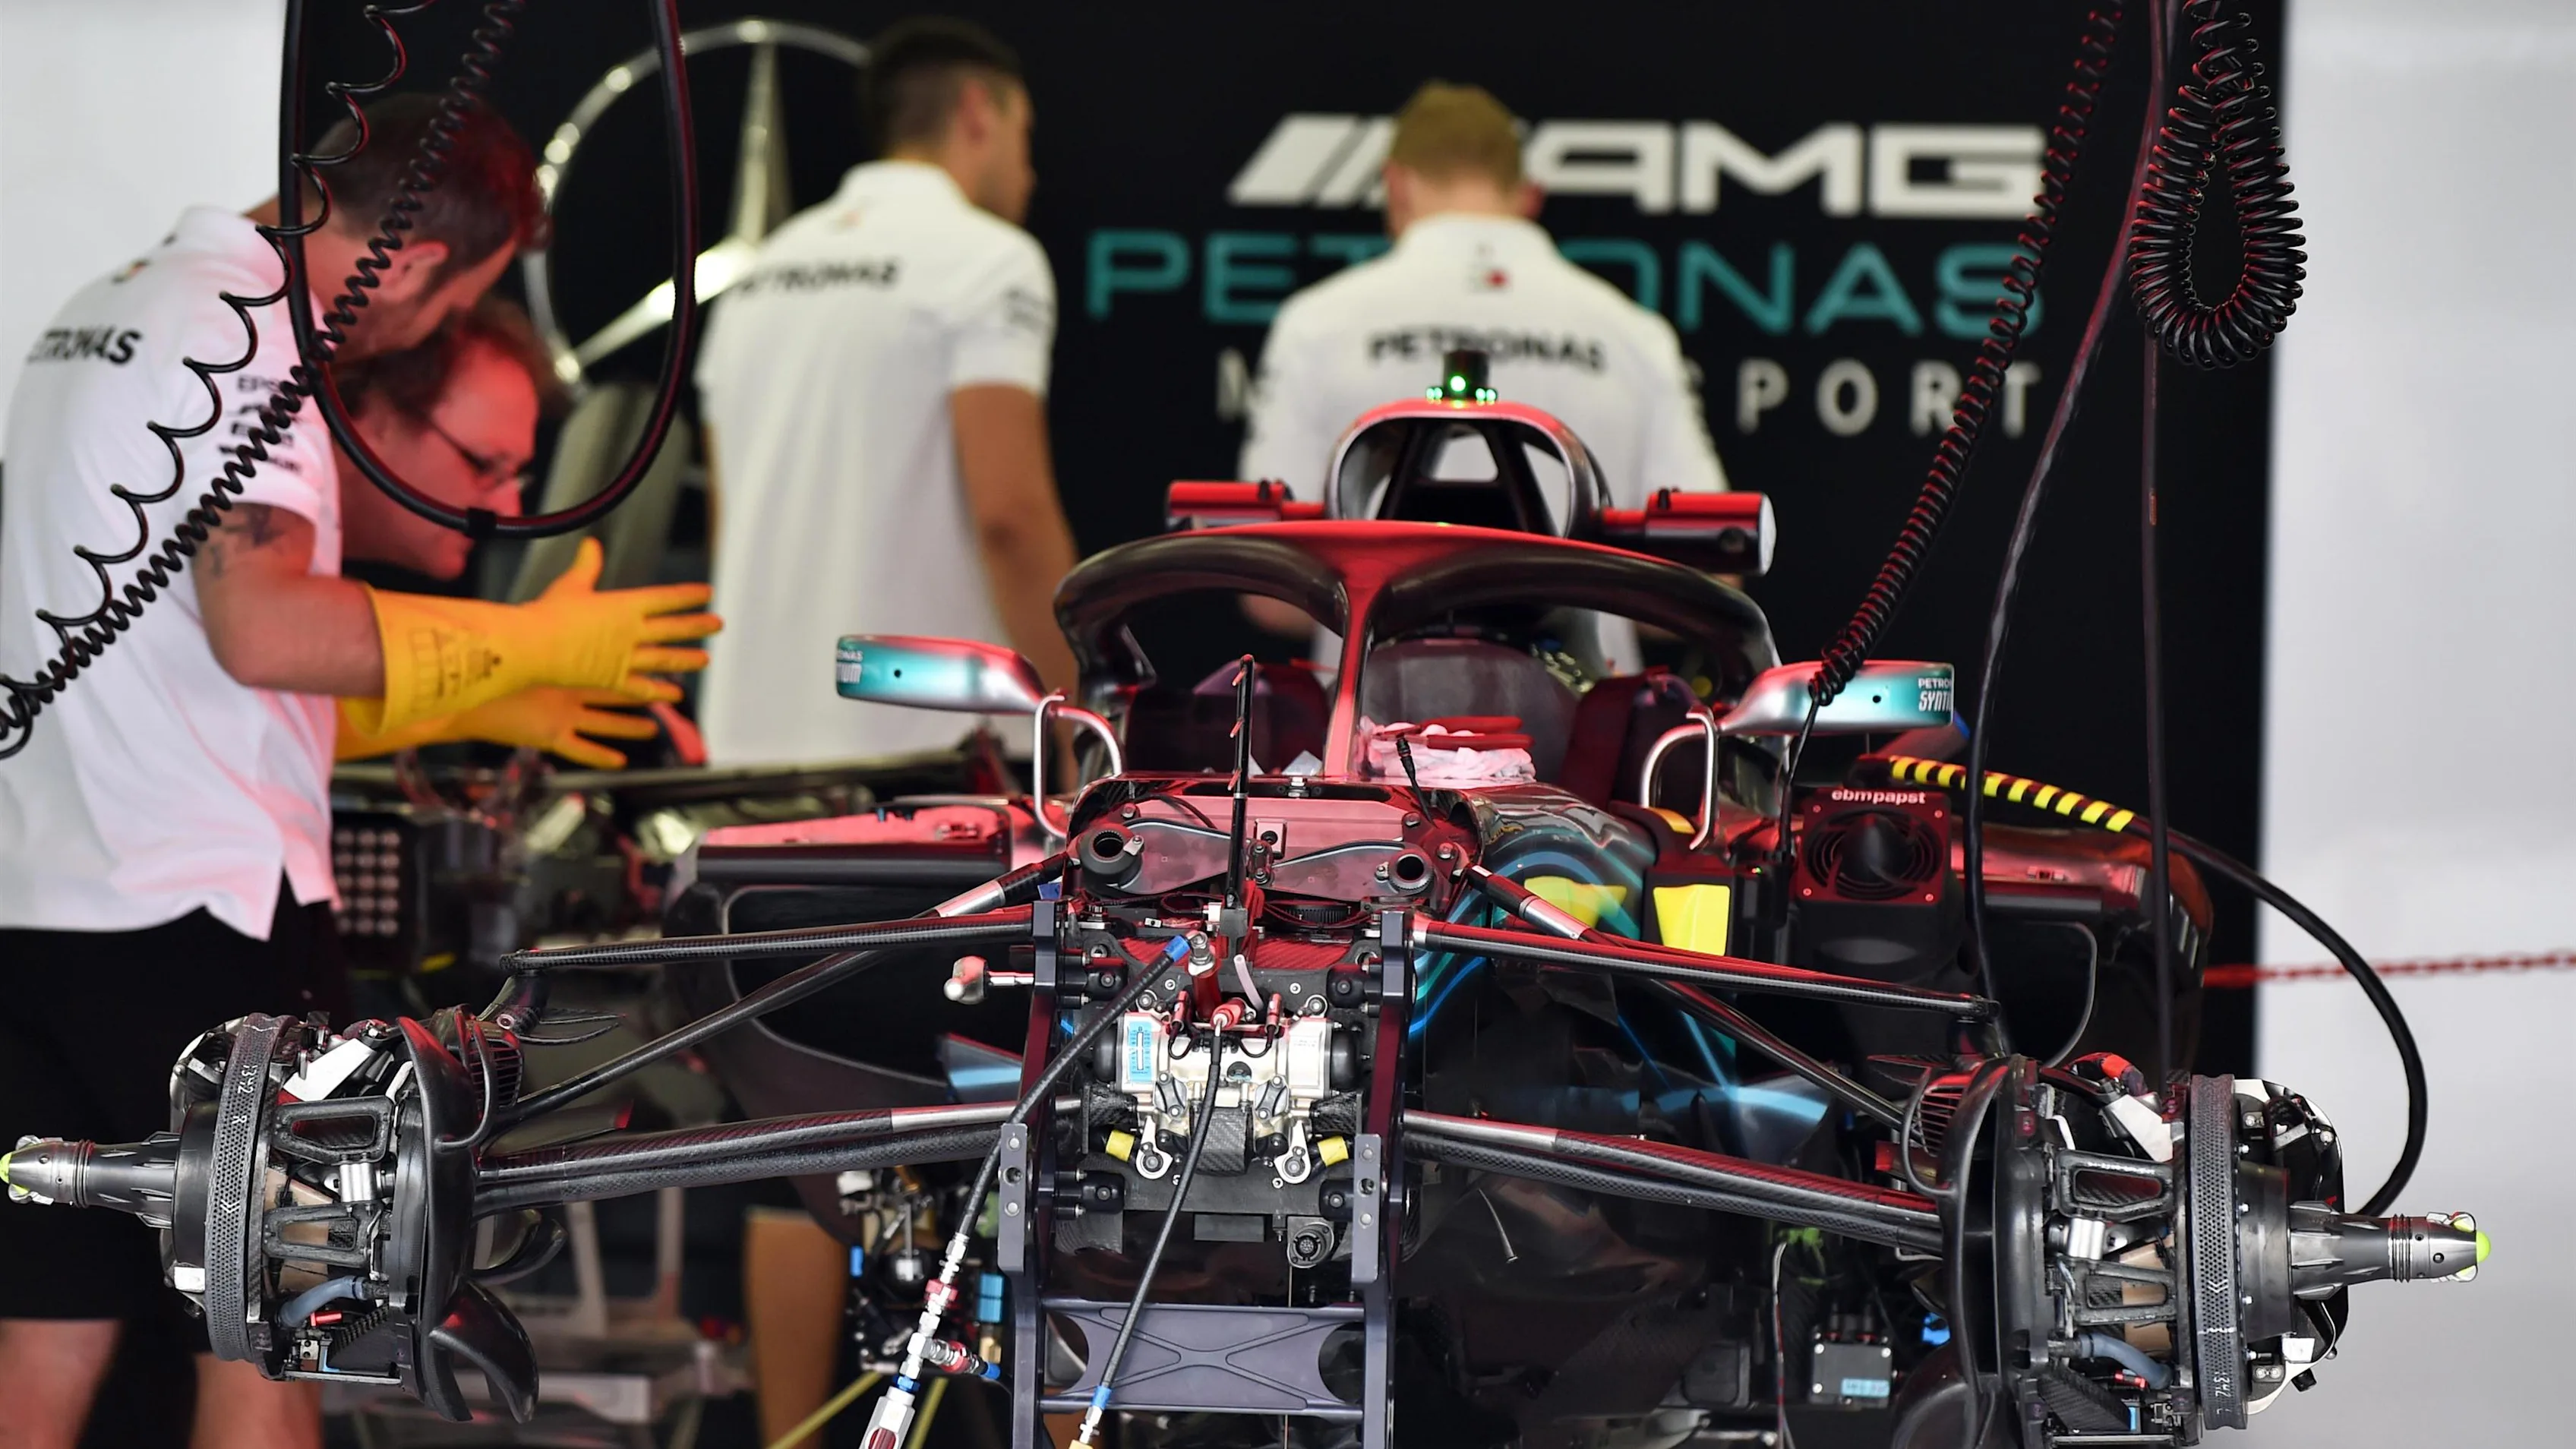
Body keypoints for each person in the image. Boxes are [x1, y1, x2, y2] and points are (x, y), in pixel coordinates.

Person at [0, 95, 716, 1449]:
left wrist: (494, 682)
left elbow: (173, 669)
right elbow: (263, 621)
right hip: (202, 917)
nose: (436, 334)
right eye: (461, 307)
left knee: (40, 1349)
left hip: (45, 906)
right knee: (269, 1339)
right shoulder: (253, 347)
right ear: (433, 265)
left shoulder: (116, 303)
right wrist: (529, 634)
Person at [1238, 82, 1732, 668]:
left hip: (1371, 740)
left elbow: (1274, 599)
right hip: (1581, 736)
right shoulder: (1632, 333)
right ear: (1529, 195)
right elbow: (1711, 569)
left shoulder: (1317, 324)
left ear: (1396, 186)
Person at [693, 14, 1078, 769]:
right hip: (927, 758)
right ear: (977, 112)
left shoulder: (757, 276)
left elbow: (726, 528)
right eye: (1024, 137)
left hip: (740, 753)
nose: (1030, 174)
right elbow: (1010, 519)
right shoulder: (988, 259)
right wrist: (1071, 725)